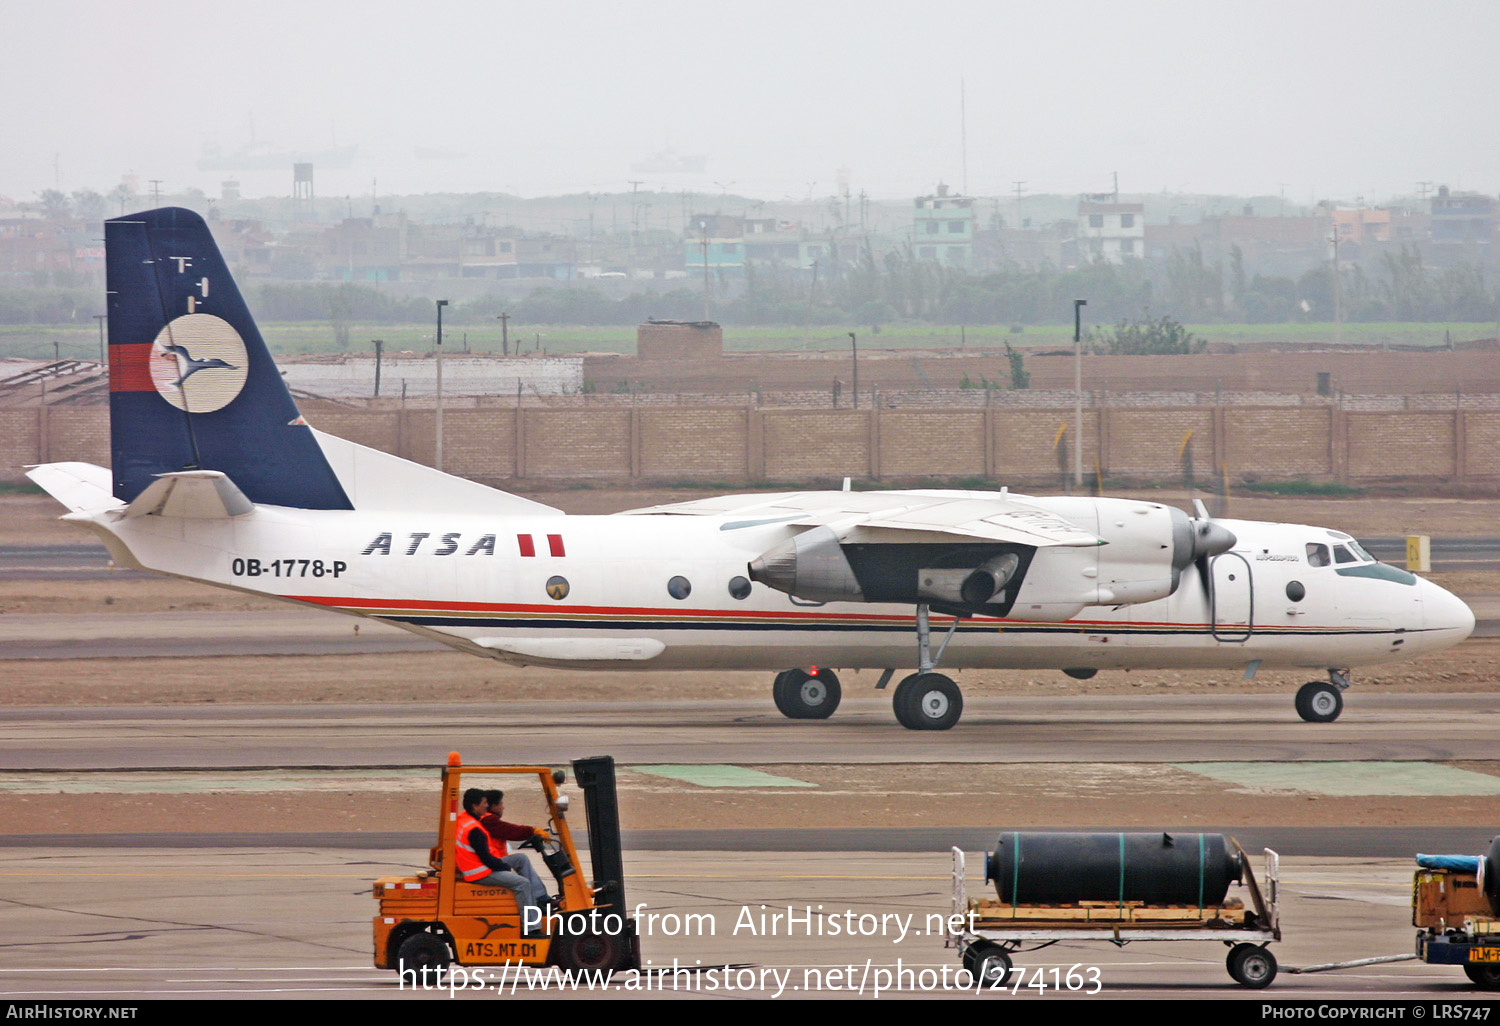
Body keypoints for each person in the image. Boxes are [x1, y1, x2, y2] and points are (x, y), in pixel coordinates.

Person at [453, 788, 545, 935]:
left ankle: (540, 897)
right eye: (484, 803)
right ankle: (532, 929)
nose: (486, 806)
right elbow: (486, 858)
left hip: (478, 865)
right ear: (475, 806)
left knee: (520, 858)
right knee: (522, 883)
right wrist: (504, 866)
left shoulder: (464, 819)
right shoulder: (475, 829)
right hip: (480, 872)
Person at [480, 788, 551, 906]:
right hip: (490, 863)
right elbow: (510, 830)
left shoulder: (485, 819)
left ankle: (539, 898)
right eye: (501, 803)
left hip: (491, 861)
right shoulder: (488, 820)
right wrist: (532, 831)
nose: (503, 807)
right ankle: (541, 898)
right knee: (521, 859)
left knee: (520, 860)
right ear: (492, 806)